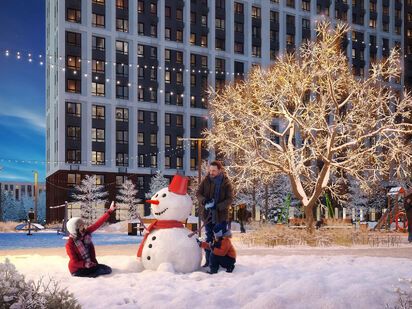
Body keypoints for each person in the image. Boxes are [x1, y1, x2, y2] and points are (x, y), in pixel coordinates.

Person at [197, 160, 234, 267]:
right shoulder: (206, 181)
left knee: (220, 240)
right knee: (209, 238)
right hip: (208, 215)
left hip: (221, 216)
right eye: (210, 170)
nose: (211, 172)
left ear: (219, 170)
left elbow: (229, 199)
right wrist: (204, 200)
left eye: (214, 170)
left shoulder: (226, 183)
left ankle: (221, 262)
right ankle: (208, 261)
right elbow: (198, 193)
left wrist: (217, 206)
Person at [65, 201, 117, 277]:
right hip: (77, 270)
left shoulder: (85, 232)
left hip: (89, 264)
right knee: (98, 274)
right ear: (75, 229)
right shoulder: (70, 244)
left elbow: (97, 224)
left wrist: (110, 211)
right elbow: (74, 262)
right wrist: (85, 264)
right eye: (81, 226)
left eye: (83, 225)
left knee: (107, 269)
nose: (84, 227)